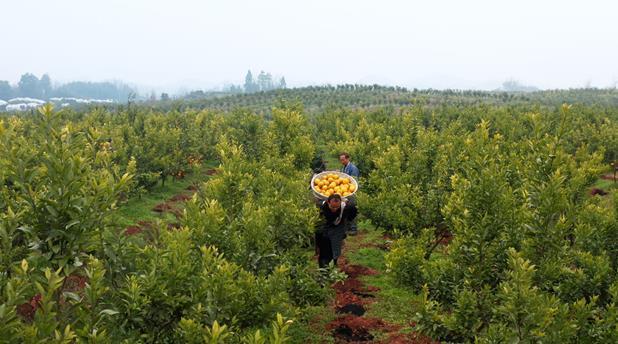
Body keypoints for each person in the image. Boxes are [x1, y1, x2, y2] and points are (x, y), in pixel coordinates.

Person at [315, 194, 357, 268]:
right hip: (325, 230)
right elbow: (318, 226)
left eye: (337, 207)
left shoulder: (346, 207)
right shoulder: (321, 208)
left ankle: (333, 265)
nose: (334, 209)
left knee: (335, 250)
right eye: (332, 207)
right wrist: (318, 242)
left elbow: (352, 214)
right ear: (328, 202)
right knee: (324, 252)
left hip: (338, 229)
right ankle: (324, 270)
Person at [339, 152, 359, 235]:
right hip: (345, 192)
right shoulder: (344, 167)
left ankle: (353, 228)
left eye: (343, 160)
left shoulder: (353, 168)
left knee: (352, 209)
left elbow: (354, 181)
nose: (342, 161)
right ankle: (347, 227)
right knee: (345, 209)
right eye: (341, 160)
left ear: (348, 159)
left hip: (351, 193)